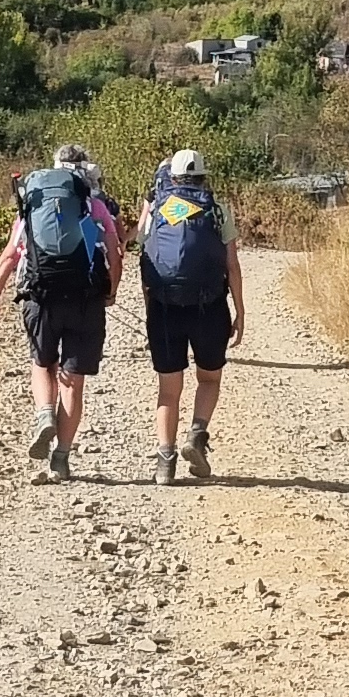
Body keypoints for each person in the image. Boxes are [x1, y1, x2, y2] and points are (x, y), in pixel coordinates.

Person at [0, 144, 123, 482]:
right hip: (85, 298)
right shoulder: (94, 204)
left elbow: (11, 255)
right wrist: (109, 293)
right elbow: (115, 255)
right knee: (73, 381)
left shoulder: (36, 201)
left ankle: (44, 413)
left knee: (43, 364)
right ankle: (60, 458)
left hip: (40, 295)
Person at [138, 148, 244, 484]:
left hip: (164, 308)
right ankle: (197, 435)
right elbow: (232, 265)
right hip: (209, 306)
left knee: (168, 390)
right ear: (203, 176)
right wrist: (239, 311)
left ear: (172, 177)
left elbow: (145, 260)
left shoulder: (156, 208)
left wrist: (151, 305)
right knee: (209, 379)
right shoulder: (217, 208)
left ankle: (164, 463)